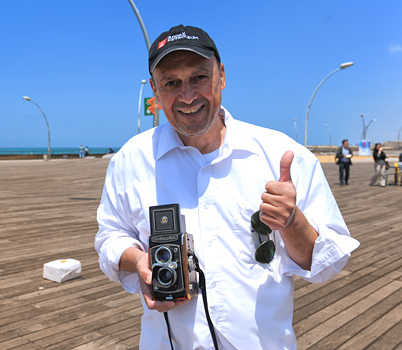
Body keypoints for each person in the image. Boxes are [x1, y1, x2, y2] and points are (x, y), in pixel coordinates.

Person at [95, 24, 359, 349]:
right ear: (155, 91)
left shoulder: (281, 156)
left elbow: (327, 264)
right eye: (172, 83)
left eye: (199, 77)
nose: (187, 95)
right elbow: (110, 236)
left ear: (221, 75)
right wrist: (137, 260)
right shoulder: (130, 160)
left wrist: (292, 224)